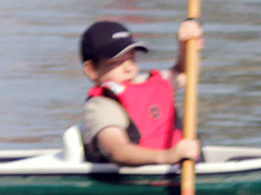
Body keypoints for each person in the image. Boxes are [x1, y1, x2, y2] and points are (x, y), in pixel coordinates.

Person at [74, 19, 205, 168]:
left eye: (131, 59)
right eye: (116, 63)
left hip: (181, 165)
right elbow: (116, 150)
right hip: (146, 174)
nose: (129, 69)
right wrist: (168, 156)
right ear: (91, 70)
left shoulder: (151, 82)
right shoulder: (102, 104)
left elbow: (187, 73)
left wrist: (186, 45)